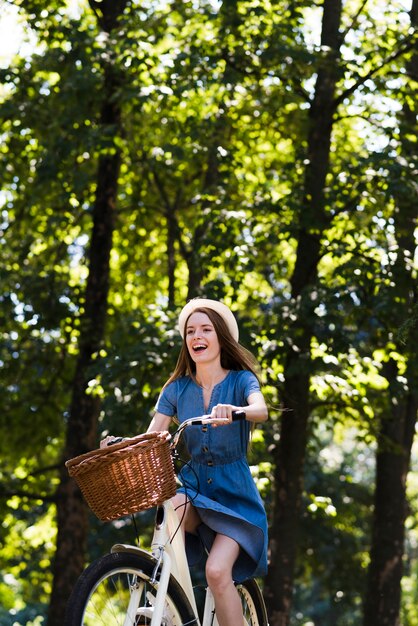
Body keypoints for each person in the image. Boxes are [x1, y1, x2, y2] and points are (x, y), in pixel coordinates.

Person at [148, 297, 268, 626]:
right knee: (168, 507)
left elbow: (261, 410)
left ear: (220, 337)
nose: (196, 336)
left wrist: (237, 411)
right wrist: (120, 444)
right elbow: (152, 435)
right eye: (190, 331)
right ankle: (168, 603)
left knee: (217, 573)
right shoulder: (176, 389)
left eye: (205, 329)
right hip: (195, 488)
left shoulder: (241, 380)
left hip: (236, 499)